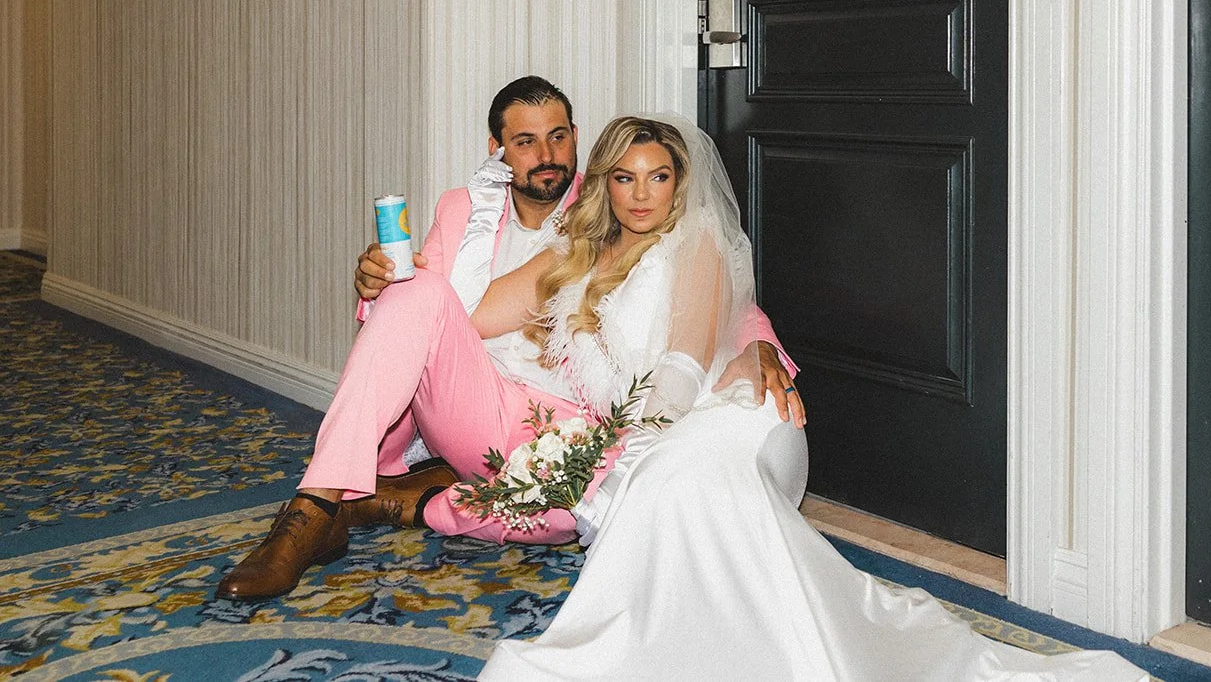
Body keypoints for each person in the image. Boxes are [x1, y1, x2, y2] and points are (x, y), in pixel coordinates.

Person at [473, 116, 1149, 681]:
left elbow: (682, 368)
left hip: (738, 412)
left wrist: (625, 454)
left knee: (672, 481)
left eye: (659, 176)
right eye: (625, 177)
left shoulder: (695, 242)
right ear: (604, 183)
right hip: (664, 430)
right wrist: (466, 217)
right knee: (673, 490)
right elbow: (470, 311)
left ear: (680, 183)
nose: (642, 194)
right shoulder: (577, 256)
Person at [215, 78, 799, 602]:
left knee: (572, 512)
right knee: (421, 289)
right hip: (477, 398)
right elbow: (443, 320)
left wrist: (759, 347)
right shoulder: (473, 212)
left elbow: (722, 304)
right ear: (497, 149)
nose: (547, 156)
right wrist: (380, 286)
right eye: (526, 142)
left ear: (577, 140)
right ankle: (312, 508)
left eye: (558, 138)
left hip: (573, 420)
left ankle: (403, 501)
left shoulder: (613, 217)